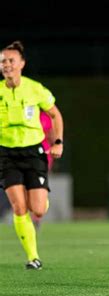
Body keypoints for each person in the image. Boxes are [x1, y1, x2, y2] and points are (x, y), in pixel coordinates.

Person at [0, 41, 64, 269]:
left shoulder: (35, 88)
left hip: (34, 153)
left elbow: (55, 115)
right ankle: (33, 257)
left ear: (21, 64)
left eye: (11, 60)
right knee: (18, 207)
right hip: (6, 155)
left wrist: (58, 142)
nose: (7, 65)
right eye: (3, 61)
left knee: (36, 209)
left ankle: (40, 201)